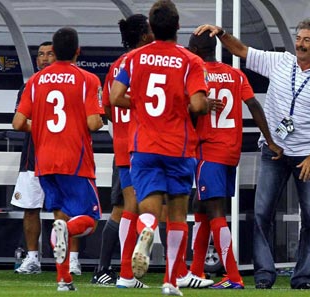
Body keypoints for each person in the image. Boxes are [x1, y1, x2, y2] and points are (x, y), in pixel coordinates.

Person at [195, 18, 310, 290]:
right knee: (262, 213)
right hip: (273, 149)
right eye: (298, 38)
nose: (299, 44)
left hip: (308, 155)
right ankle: (264, 275)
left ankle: (302, 277)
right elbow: (243, 51)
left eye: (307, 40)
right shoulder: (281, 61)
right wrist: (222, 33)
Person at [109, 1, 209, 295]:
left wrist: (140, 104)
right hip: (178, 146)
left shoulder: (134, 58)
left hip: (144, 145)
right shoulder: (190, 61)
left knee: (148, 203)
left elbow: (116, 96)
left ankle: (148, 226)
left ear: (151, 28)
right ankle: (169, 280)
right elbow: (199, 104)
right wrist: (189, 104)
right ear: (178, 27)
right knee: (178, 214)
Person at [175, 31, 283, 290]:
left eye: (191, 47)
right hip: (230, 152)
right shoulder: (235, 74)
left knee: (214, 210)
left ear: (197, 50)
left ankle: (233, 275)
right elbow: (254, 105)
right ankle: (197, 270)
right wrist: (269, 138)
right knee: (200, 207)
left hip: (207, 150)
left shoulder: (195, 74)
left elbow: (187, 111)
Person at [12, 26, 104, 291]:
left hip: (44, 160)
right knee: (89, 219)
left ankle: (64, 279)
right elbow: (93, 123)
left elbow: (19, 123)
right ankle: (62, 237)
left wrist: (41, 126)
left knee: (60, 216)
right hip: (75, 158)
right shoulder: (87, 79)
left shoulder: (36, 81)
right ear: (77, 51)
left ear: (55, 51)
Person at [92, 13, 154, 289]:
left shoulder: (116, 66)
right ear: (143, 36)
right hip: (143, 144)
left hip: (122, 145)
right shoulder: (146, 62)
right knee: (137, 206)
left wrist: (121, 126)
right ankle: (120, 270)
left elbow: (107, 107)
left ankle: (111, 270)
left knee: (124, 207)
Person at [12, 41, 81, 276]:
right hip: (33, 158)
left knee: (65, 210)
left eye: (49, 53)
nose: (43, 58)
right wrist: (49, 127)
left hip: (65, 157)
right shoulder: (29, 86)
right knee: (30, 209)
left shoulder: (75, 83)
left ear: (59, 55)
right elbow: (20, 121)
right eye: (40, 54)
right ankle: (32, 259)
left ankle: (72, 260)